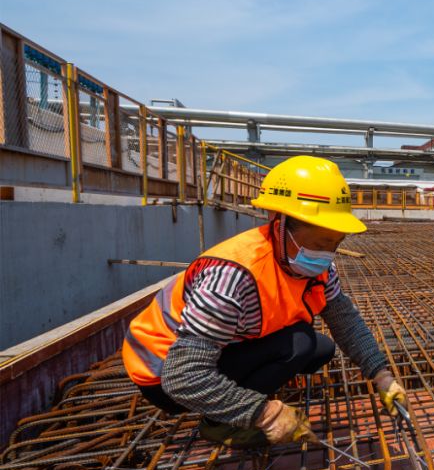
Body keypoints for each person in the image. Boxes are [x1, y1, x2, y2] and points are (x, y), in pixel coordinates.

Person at [122, 156, 407, 448]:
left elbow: (345, 320)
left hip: (218, 349)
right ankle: (220, 423)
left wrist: (381, 375)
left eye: (336, 244)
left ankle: (238, 401)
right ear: (279, 224)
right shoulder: (233, 277)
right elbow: (182, 377)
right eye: (319, 244)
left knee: (319, 348)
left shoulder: (317, 270)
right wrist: (265, 413)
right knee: (299, 344)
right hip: (163, 373)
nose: (326, 254)